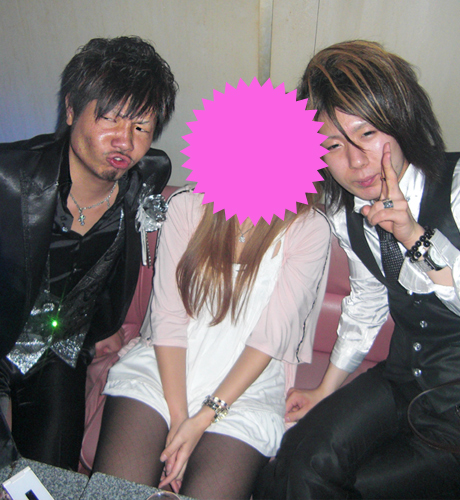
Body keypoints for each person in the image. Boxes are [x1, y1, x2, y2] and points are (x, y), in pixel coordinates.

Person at [254, 40, 460, 499]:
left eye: (367, 133)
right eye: (333, 145)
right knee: (291, 464)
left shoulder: (456, 188)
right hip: (401, 381)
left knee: (337, 485)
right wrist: (325, 390)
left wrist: (414, 237)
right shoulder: (345, 212)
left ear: (401, 120)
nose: (356, 161)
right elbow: (367, 300)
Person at [0, 35, 178, 470]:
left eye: (141, 127)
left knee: (48, 481)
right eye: (110, 119)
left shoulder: (148, 176)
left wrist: (103, 327)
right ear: (70, 110)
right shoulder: (8, 179)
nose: (124, 141)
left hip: (60, 349)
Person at [92, 183, 331, 499]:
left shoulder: (308, 226)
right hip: (165, 368)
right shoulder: (187, 205)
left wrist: (203, 418)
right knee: (114, 493)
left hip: (245, 387)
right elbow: (168, 317)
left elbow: (269, 339)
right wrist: (180, 420)